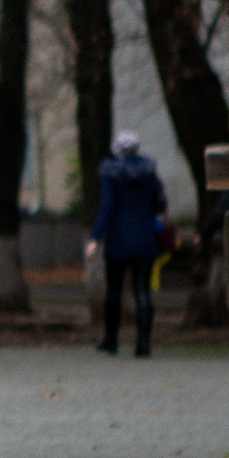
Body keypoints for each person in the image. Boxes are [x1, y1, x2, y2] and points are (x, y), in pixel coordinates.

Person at [88, 131, 168, 358]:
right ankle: (143, 343)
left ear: (117, 150)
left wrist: (95, 237)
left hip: (117, 240)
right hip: (145, 239)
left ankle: (111, 340)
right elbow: (160, 204)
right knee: (142, 291)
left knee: (114, 291)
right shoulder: (150, 171)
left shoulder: (110, 172)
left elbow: (107, 207)